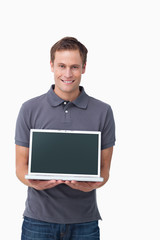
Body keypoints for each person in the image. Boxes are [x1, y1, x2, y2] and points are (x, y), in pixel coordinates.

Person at [15, 37, 116, 240]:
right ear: (52, 66)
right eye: (62, 66)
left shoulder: (103, 111)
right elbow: (20, 167)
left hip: (84, 222)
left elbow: (104, 170)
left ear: (84, 68)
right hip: (38, 221)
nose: (67, 74)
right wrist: (36, 183)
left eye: (74, 67)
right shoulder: (29, 109)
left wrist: (90, 184)